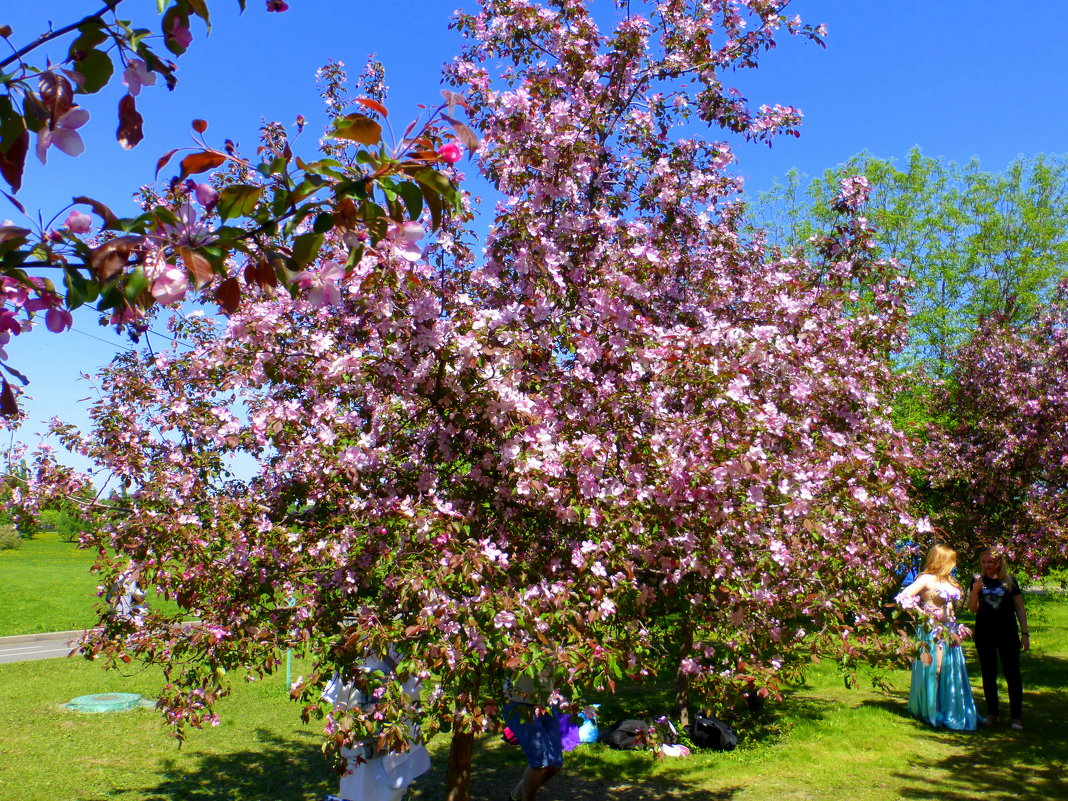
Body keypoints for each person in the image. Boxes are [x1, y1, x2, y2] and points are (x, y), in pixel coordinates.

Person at [896, 543, 978, 730]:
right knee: (937, 668)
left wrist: (955, 627)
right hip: (932, 631)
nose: (954, 565)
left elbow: (950, 606)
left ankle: (949, 708)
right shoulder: (926, 579)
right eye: (951, 561)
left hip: (949, 630)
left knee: (951, 669)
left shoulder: (949, 580)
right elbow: (903, 597)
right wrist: (923, 613)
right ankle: (933, 709)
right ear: (941, 560)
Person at [968, 547, 1029, 731]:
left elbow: (1019, 608)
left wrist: (1025, 634)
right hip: (985, 633)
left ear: (999, 563)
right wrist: (974, 592)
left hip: (1008, 633)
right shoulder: (977, 580)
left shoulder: (1009, 581)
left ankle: (1016, 717)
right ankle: (992, 713)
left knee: (1012, 674)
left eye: (990, 562)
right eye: (984, 562)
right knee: (988, 673)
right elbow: (972, 609)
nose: (987, 565)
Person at [503, 668, 563, 801]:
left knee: (555, 764)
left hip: (547, 702)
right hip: (519, 704)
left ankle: (514, 797)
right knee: (541, 762)